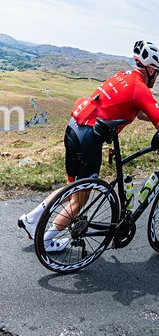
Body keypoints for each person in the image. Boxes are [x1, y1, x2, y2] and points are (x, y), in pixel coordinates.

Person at [18, 40, 159, 251]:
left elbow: (139, 112)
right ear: (149, 69)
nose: (156, 77)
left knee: (74, 188)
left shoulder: (123, 76)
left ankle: (32, 218)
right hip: (89, 138)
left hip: (75, 128)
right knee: (80, 199)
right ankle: (46, 241)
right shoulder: (140, 88)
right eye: (156, 72)